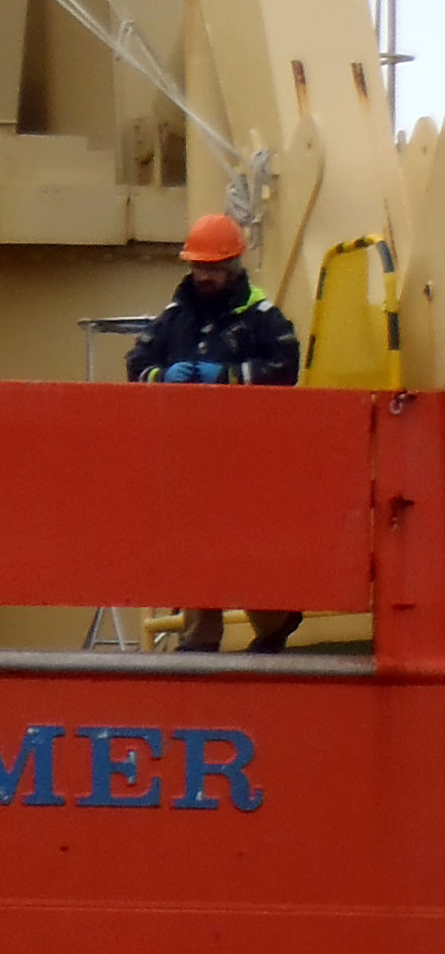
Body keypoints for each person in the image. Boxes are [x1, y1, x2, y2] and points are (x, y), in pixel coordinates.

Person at [128, 210, 303, 652]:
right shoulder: (175, 317)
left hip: (245, 461)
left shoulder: (261, 317)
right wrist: (162, 376)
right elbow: (136, 365)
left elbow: (284, 367)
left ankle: (275, 620)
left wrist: (225, 377)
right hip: (189, 458)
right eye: (198, 266)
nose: (203, 276)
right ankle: (199, 639)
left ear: (232, 267)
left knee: (246, 552)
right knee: (193, 548)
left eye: (212, 268)